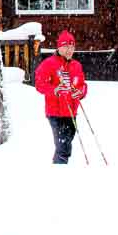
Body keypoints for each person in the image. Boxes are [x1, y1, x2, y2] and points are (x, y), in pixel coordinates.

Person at [34, 30, 88, 164]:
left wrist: (80, 92)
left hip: (71, 112)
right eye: (66, 46)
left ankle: (58, 165)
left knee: (66, 144)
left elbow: (82, 85)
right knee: (63, 147)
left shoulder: (76, 65)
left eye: (72, 46)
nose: (69, 50)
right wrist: (55, 90)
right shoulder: (49, 63)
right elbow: (40, 84)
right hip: (55, 113)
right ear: (59, 47)